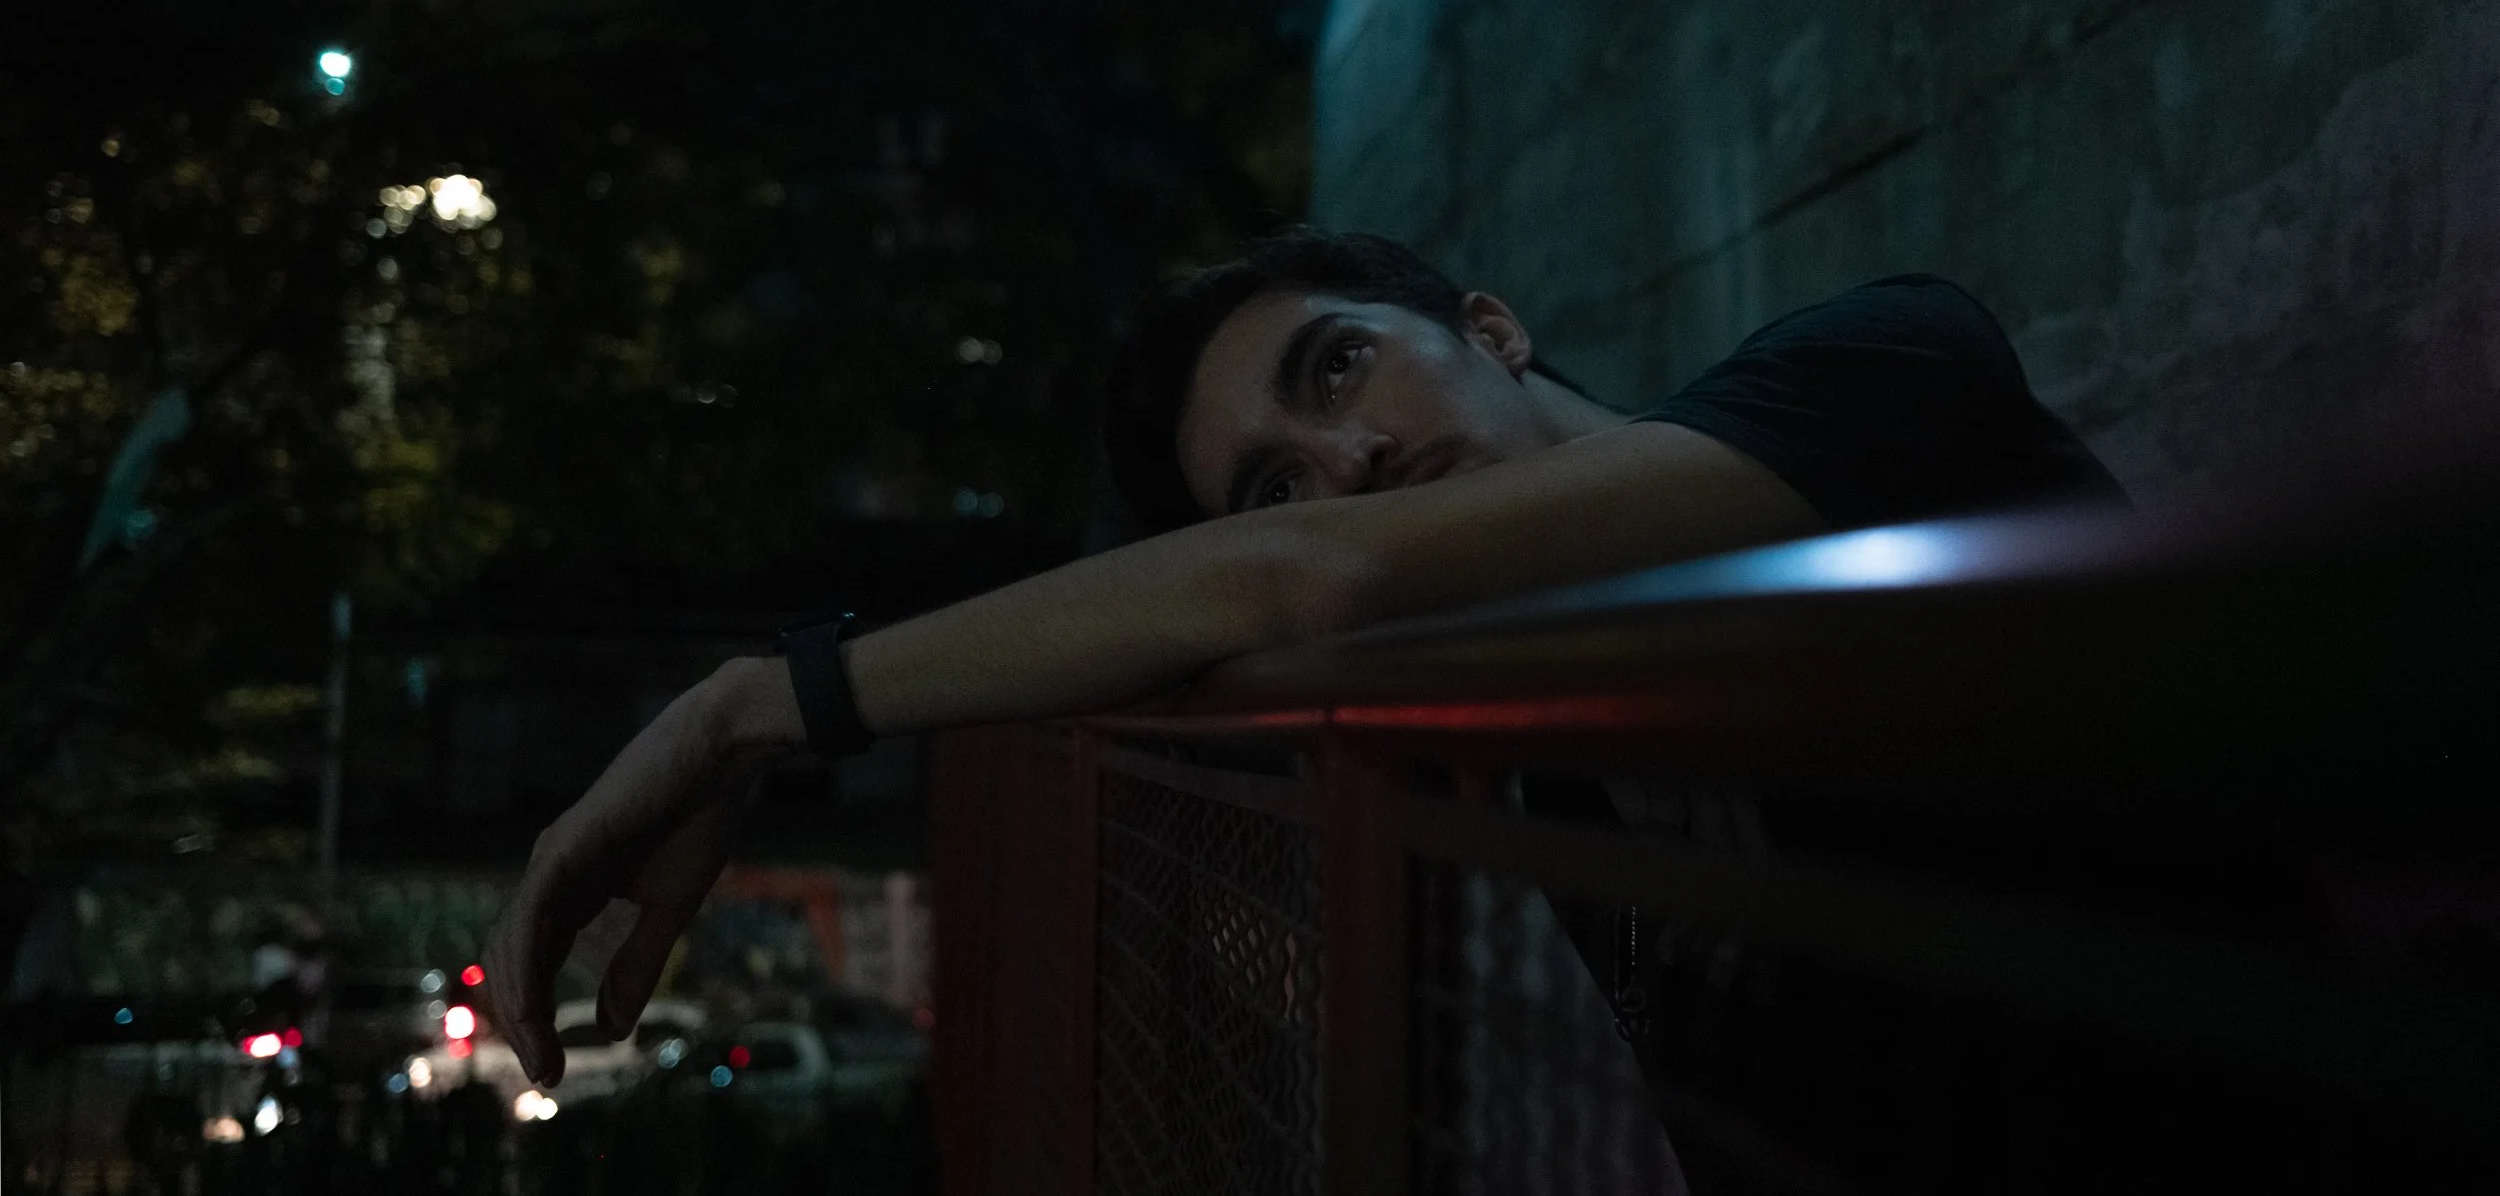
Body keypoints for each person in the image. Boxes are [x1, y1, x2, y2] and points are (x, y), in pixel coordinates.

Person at [482, 227, 2122, 1085]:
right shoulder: (1525, 711)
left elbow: (1298, 581)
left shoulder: (1881, 364)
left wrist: (752, 709)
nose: (1337, 467)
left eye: (1339, 372)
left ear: (1489, 328)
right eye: (1270, 477)